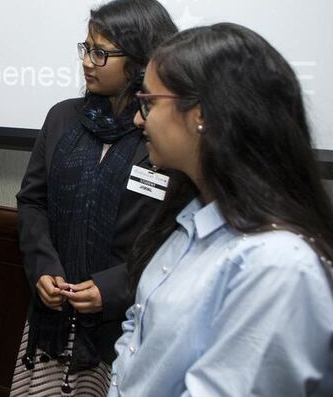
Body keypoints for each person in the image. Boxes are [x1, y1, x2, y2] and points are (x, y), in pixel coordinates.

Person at [110, 23, 333, 395]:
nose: (137, 118)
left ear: (201, 114)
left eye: (148, 102)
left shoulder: (277, 266)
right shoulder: (187, 223)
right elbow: (137, 329)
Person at [11, 0, 178, 396]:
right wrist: (44, 269)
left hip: (123, 327)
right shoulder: (63, 118)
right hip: (51, 320)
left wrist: (112, 288)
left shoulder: (166, 136)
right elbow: (33, 201)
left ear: (139, 60)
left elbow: (173, 236)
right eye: (87, 49)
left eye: (101, 53)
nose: (87, 61)